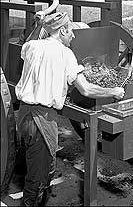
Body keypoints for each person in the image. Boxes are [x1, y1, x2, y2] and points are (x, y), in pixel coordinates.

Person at [15, 12, 125, 207]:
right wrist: (113, 91)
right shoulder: (66, 54)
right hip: (41, 119)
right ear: (63, 30)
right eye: (71, 32)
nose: (73, 36)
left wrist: (41, 24)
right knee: (39, 177)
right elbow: (87, 89)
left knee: (31, 163)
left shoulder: (33, 46)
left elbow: (29, 44)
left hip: (23, 116)